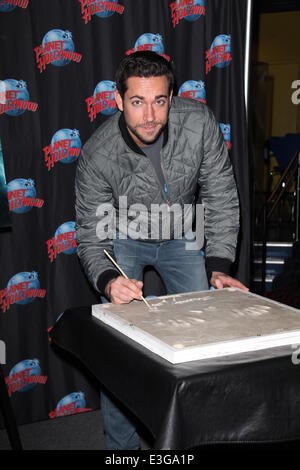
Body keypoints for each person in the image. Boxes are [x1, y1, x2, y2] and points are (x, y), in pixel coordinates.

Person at [75, 51, 247, 450]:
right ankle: (122, 450)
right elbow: (90, 233)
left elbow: (221, 195)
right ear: (118, 100)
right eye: (137, 102)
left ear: (172, 96)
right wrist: (108, 279)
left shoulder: (199, 123)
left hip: (182, 233)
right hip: (123, 237)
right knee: (123, 352)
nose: (150, 115)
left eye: (160, 101)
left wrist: (219, 265)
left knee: (202, 339)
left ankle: (196, 435)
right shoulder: (97, 155)